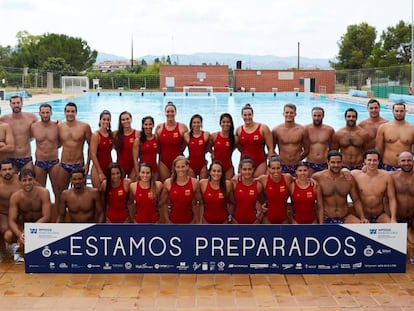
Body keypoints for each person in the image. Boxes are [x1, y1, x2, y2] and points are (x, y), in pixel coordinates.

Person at [312, 151, 367, 224]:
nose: (336, 165)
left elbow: (356, 200)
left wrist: (362, 217)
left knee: (361, 225)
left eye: (338, 162)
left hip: (345, 217)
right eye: (333, 162)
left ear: (342, 162)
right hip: (326, 217)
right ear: (328, 162)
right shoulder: (317, 177)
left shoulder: (348, 178)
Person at [56, 102, 92, 210]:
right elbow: (57, 145)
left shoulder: (84, 126)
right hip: (64, 165)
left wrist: (87, 164)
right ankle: (60, 218)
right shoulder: (59, 126)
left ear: (76, 112)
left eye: (72, 111)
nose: (70, 114)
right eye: (68, 111)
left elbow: (92, 147)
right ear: (64, 112)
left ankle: (81, 218)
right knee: (61, 194)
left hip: (79, 165)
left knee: (82, 194)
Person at [8, 169, 51, 253]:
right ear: (20, 182)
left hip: (41, 226)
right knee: (8, 236)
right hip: (24, 226)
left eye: (30, 179)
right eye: (24, 180)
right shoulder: (15, 197)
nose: (27, 183)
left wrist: (30, 230)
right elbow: (11, 220)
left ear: (34, 180)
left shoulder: (44, 192)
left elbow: (47, 217)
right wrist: (20, 235)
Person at [351, 149, 397, 223]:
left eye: (375, 160)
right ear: (365, 161)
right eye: (369, 160)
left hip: (380, 214)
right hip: (363, 215)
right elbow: (343, 172)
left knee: (392, 227)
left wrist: (393, 218)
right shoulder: (356, 175)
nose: (372, 163)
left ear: (379, 161)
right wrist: (344, 170)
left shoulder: (386, 176)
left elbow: (392, 199)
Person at [159, 156, 202, 224]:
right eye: (178, 167)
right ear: (175, 168)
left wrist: (197, 221)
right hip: (172, 222)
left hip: (190, 222)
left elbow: (200, 203)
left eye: (183, 166)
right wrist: (167, 220)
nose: (180, 169)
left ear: (187, 167)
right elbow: (163, 203)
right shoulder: (168, 183)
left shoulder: (194, 183)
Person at [0, 95, 37, 171]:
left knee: (29, 181)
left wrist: (56, 123)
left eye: (18, 102)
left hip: (26, 157)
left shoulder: (31, 117)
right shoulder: (4, 119)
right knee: (11, 182)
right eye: (13, 103)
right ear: (10, 105)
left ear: (22, 103)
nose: (16, 105)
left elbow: (42, 127)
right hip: (11, 158)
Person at [30, 103, 60, 200]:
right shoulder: (33, 127)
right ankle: (41, 214)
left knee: (57, 190)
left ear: (51, 113)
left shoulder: (57, 126)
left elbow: (63, 141)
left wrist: (54, 147)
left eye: (47, 112)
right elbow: (25, 139)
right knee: (39, 191)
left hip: (54, 162)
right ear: (39, 113)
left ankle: (59, 215)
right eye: (43, 113)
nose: (45, 115)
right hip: (40, 162)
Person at [236, 104, 274, 177]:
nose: (247, 117)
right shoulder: (238, 130)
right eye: (245, 115)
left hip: (260, 162)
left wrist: (270, 164)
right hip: (244, 162)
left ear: (253, 115)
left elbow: (271, 148)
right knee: (243, 184)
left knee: (259, 183)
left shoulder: (263, 128)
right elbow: (238, 146)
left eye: (249, 115)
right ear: (242, 116)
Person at [272, 103, 310, 174]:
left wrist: (299, 158)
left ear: (295, 114)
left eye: (291, 113)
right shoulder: (276, 130)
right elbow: (271, 149)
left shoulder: (302, 130)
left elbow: (307, 149)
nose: (289, 115)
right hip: (282, 164)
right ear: (283, 114)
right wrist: (278, 159)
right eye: (287, 112)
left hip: (296, 164)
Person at [155, 102, 189, 182]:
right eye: (168, 111)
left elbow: (186, 143)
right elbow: (156, 145)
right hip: (164, 162)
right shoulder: (159, 128)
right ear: (165, 113)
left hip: (179, 161)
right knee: (166, 185)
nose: (170, 113)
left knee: (179, 184)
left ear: (175, 112)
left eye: (172, 111)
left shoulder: (182, 127)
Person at [375, 102, 414, 171]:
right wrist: (376, 166)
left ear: (405, 112)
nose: (399, 113)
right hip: (387, 165)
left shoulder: (412, 129)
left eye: (401, 111)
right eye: (396, 111)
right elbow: (378, 149)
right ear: (392, 112)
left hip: (406, 167)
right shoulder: (383, 127)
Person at [257, 156, 294, 224]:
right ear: (268, 169)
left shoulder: (287, 178)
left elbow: (300, 181)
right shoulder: (263, 179)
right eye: (273, 168)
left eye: (278, 168)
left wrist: (311, 180)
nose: (276, 171)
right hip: (268, 218)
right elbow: (249, 182)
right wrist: (259, 204)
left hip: (284, 217)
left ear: (281, 168)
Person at [231, 157, 265, 224]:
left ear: (253, 170)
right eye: (244, 169)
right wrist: (231, 218)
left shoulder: (258, 185)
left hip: (253, 221)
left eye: (249, 169)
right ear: (240, 170)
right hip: (236, 221)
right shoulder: (234, 183)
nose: (247, 172)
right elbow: (230, 201)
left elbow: (262, 202)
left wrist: (259, 218)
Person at [390, 151, 414, 242]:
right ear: (398, 162)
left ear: (413, 161)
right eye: (403, 161)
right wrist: (392, 218)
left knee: (412, 241)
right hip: (397, 218)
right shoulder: (392, 176)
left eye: (409, 160)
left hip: (412, 218)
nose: (406, 163)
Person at [0, 160, 21, 258]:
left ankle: (23, 246)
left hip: (19, 214)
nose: (7, 172)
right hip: (3, 214)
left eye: (9, 169)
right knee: (6, 233)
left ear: (14, 170)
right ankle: (2, 248)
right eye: (4, 170)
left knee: (10, 235)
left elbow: (39, 189)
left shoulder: (21, 180)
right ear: (0, 172)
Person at [304, 107, 335, 175]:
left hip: (324, 164)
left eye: (319, 116)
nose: (317, 118)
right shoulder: (305, 129)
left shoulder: (329, 130)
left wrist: (331, 163)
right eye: (314, 115)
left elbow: (332, 149)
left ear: (323, 116)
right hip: (310, 164)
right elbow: (299, 147)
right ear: (311, 116)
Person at [209, 113, 238, 180]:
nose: (226, 124)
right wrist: (212, 152)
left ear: (231, 124)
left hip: (228, 167)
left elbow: (240, 149)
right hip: (215, 167)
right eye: (223, 122)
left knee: (228, 188)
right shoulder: (214, 136)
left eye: (228, 122)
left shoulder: (235, 139)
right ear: (220, 123)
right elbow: (207, 147)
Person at [113, 111, 139, 181]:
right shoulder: (115, 134)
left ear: (131, 119)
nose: (125, 121)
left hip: (133, 167)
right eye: (123, 120)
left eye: (127, 119)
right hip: (120, 166)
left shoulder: (137, 134)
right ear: (120, 121)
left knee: (132, 188)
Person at [90, 110, 113, 188]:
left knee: (108, 193)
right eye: (104, 119)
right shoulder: (96, 135)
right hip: (97, 168)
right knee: (98, 194)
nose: (106, 121)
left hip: (109, 166)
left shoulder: (111, 134)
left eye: (108, 120)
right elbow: (92, 154)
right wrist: (100, 172)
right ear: (100, 120)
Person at [184, 114, 210, 179]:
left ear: (201, 124)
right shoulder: (186, 135)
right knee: (193, 186)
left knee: (203, 186)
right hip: (191, 165)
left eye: (198, 122)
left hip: (202, 164)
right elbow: (181, 147)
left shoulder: (206, 135)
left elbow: (209, 148)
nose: (196, 124)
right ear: (191, 124)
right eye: (194, 122)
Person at [134, 116, 159, 181]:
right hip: (143, 170)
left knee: (154, 190)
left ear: (153, 125)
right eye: (146, 124)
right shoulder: (138, 140)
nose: (148, 127)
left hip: (154, 169)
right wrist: (138, 173)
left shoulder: (156, 137)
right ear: (142, 125)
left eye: (150, 124)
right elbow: (135, 159)